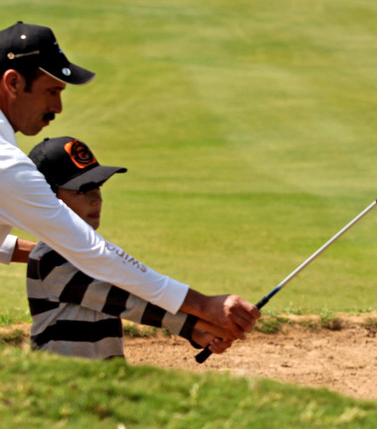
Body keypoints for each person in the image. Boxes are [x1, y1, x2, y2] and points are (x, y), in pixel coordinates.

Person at [0, 21, 259, 344]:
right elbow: (92, 252)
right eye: (51, 91)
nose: (58, 108)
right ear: (12, 82)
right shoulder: (6, 165)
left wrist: (37, 255)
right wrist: (203, 305)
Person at [26, 136, 229, 359]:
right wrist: (194, 326)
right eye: (82, 190)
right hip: (61, 382)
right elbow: (124, 301)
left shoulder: (90, 251)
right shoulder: (50, 258)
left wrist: (196, 329)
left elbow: (131, 293)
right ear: (46, 198)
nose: (97, 199)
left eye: (98, 186)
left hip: (101, 379)